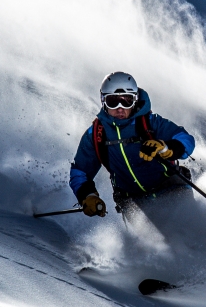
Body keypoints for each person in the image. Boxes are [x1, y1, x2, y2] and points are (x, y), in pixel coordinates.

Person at [69, 71, 195, 218]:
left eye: (127, 100)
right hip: (135, 204)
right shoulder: (96, 134)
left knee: (189, 233)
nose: (120, 108)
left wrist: (166, 148)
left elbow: (186, 139)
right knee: (151, 241)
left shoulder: (150, 122)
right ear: (103, 101)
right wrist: (87, 195)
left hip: (171, 189)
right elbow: (80, 171)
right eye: (113, 101)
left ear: (135, 100)